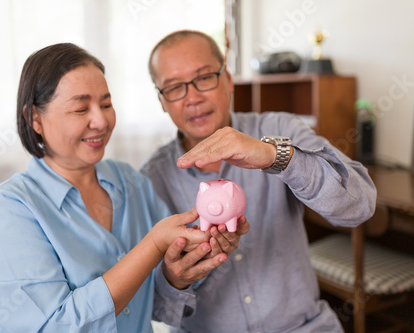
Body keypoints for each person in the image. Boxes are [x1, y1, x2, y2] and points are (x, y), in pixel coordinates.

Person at [0, 42, 249, 333]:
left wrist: (179, 272)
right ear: (35, 118)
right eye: (81, 108)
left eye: (106, 104)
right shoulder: (11, 209)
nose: (101, 120)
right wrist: (153, 244)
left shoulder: (129, 181)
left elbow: (156, 300)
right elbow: (53, 326)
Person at [141, 30, 377, 333]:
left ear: (227, 79)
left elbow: (360, 205)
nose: (193, 98)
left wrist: (275, 156)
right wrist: (175, 278)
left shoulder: (279, 127)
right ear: (162, 101)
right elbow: (153, 307)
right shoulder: (149, 180)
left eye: (204, 78)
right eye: (174, 87)